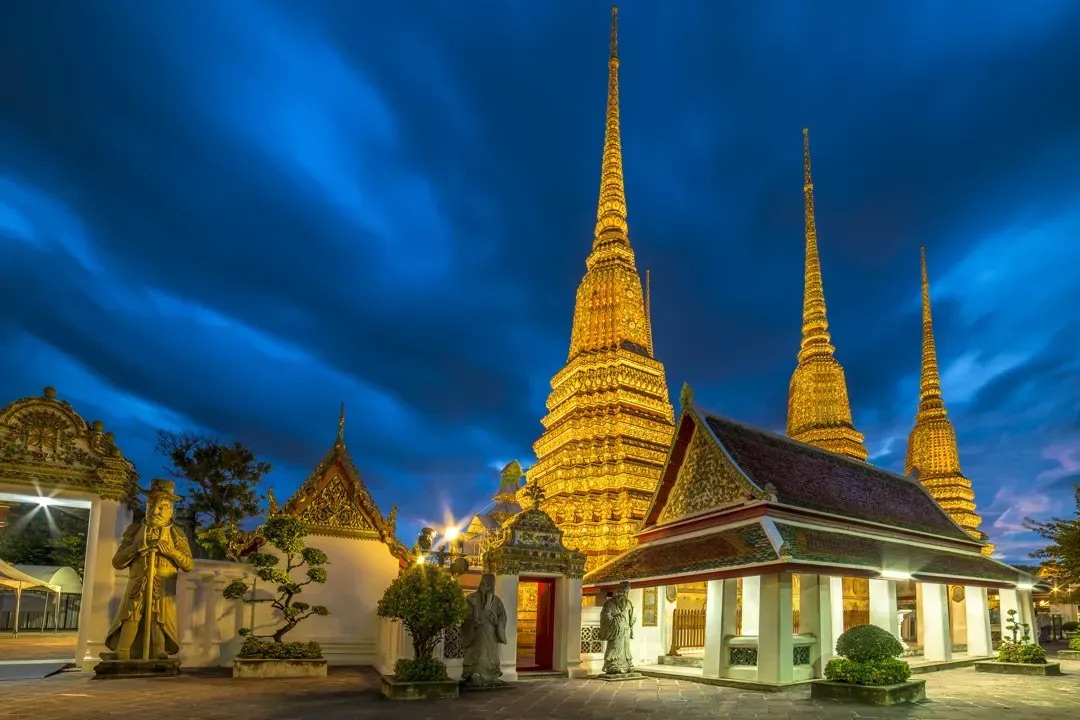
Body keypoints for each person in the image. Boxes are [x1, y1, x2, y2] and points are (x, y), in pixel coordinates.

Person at [102, 479, 194, 661]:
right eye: (151, 506)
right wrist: (139, 547)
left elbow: (188, 565)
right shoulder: (135, 530)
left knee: (158, 617)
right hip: (138, 580)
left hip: (164, 582)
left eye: (162, 507)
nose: (155, 511)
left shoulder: (176, 533)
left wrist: (172, 552)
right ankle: (122, 651)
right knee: (131, 615)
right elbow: (118, 562)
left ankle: (159, 649)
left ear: (171, 510)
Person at [600, 581, 635, 675]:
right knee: (615, 647)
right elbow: (605, 616)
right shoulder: (610, 603)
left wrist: (631, 621)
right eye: (623, 591)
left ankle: (627, 665)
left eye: (627, 592)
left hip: (625, 631)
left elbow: (631, 617)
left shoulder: (629, 604)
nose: (625, 594)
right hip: (616, 630)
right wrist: (617, 620)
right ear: (618, 591)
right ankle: (612, 665)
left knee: (626, 648)